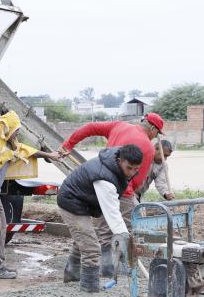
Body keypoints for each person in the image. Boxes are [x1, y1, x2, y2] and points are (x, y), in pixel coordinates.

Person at [58, 114, 161, 276]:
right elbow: (138, 181)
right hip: (120, 190)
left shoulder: (119, 126)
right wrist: (127, 196)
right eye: (157, 133)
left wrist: (67, 145)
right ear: (153, 129)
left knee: (92, 231)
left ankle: (74, 269)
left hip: (97, 186)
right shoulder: (147, 147)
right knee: (122, 229)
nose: (156, 136)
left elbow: (89, 128)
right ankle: (107, 270)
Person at [0, 111, 61, 279]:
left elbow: (24, 151)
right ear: (7, 128)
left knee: (1, 229)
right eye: (16, 130)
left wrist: (49, 155)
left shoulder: (5, 141)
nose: (17, 134)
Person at [56, 145, 143, 292]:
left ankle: (72, 274)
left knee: (84, 239)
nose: (132, 173)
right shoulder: (105, 179)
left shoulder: (114, 162)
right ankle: (89, 288)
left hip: (83, 200)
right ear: (120, 161)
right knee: (91, 247)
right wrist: (127, 240)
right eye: (129, 168)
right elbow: (113, 215)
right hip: (71, 202)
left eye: (136, 169)